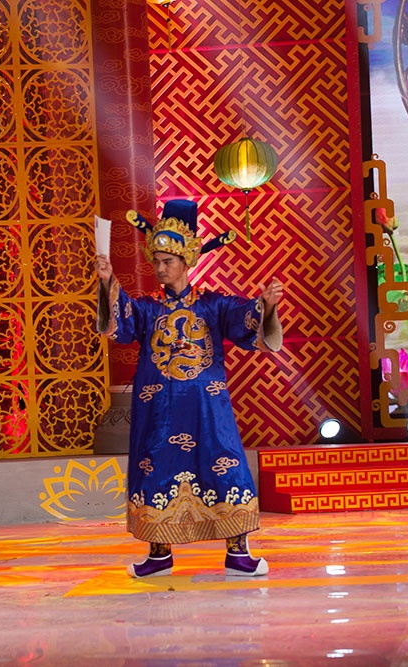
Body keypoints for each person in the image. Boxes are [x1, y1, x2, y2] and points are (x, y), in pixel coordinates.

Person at [95, 199, 283, 578]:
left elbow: (245, 320)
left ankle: (238, 553)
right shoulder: (148, 308)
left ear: (187, 262)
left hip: (207, 410)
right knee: (155, 468)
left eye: (168, 261)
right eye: (156, 262)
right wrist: (107, 281)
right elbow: (121, 322)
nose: (160, 269)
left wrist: (263, 304)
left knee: (226, 467)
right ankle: (159, 554)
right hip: (159, 412)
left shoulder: (214, 306)